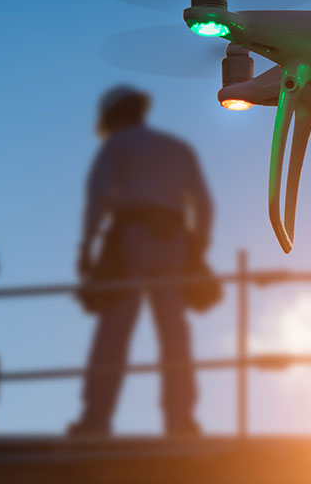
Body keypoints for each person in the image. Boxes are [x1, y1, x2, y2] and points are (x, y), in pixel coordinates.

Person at [69, 85, 213, 438]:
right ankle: (180, 422)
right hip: (174, 242)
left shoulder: (117, 145)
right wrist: (197, 251)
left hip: (130, 238)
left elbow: (99, 196)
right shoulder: (178, 148)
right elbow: (203, 203)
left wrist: (86, 246)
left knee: (114, 332)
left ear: (115, 116)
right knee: (174, 333)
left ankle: (96, 420)